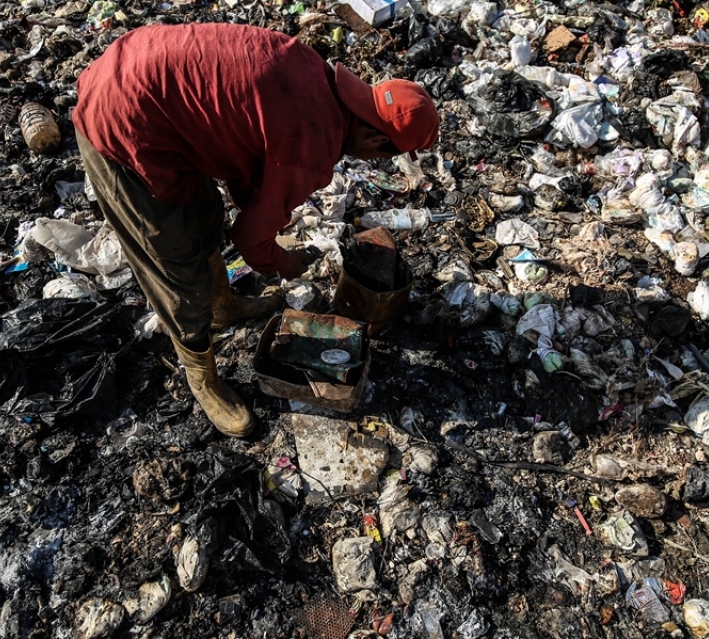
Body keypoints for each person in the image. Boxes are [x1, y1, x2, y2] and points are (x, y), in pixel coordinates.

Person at [72, 23, 439, 437]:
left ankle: (223, 306)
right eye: (384, 153)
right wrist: (285, 263)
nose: (375, 160)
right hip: (120, 118)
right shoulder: (313, 140)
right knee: (176, 267)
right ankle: (203, 378)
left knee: (204, 212)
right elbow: (250, 242)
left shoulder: (313, 68)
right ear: (375, 137)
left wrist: (264, 213)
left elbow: (244, 149)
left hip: (143, 72)